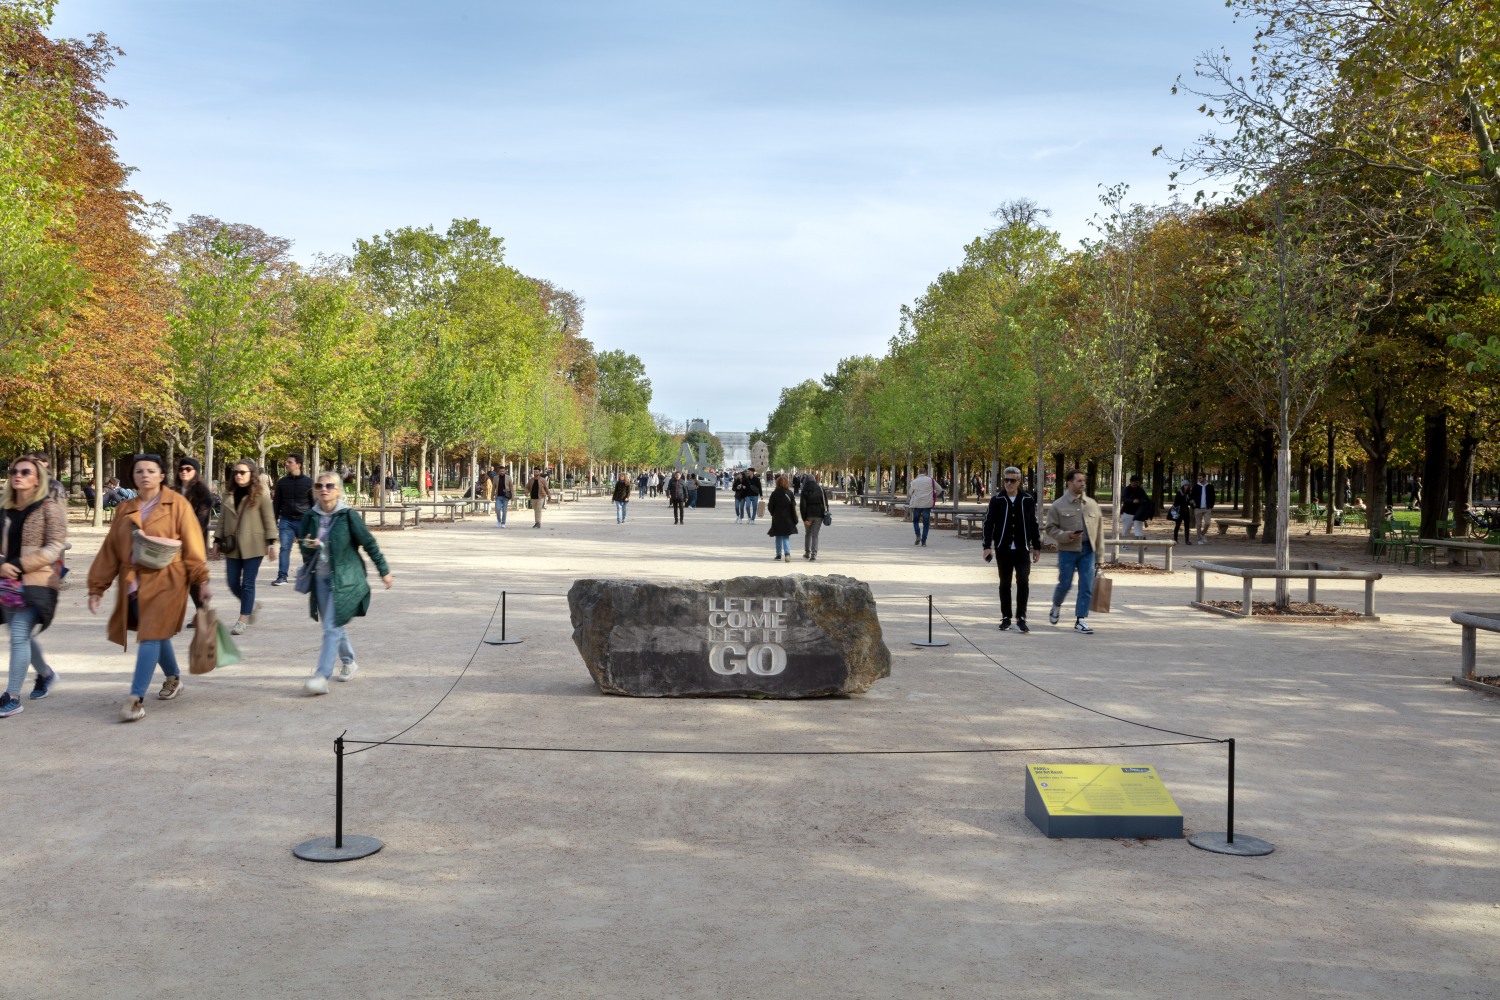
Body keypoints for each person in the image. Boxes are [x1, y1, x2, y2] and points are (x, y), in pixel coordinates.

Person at [87, 454, 212, 722]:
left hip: (169, 579)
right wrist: (97, 587)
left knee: (150, 635)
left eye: (151, 471)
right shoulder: (124, 508)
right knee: (154, 632)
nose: (145, 475)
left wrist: (201, 579)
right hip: (133, 583)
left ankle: (135, 698)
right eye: (139, 471)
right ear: (133, 477)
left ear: (162, 475)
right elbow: (110, 550)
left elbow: (193, 544)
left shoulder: (177, 504)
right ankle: (174, 678)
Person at [297, 472, 393, 695]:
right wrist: (308, 545)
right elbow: (303, 545)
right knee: (333, 624)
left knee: (331, 626)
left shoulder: (348, 516)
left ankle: (321, 676)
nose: (324, 489)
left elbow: (369, 543)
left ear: (338, 490)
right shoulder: (309, 517)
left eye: (330, 485)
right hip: (320, 578)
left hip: (345, 580)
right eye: (319, 485)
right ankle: (349, 661)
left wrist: (384, 571)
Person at [0, 456, 67, 717]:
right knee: (21, 636)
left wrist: (17, 564)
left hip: (38, 582)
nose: (18, 475)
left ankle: (12, 696)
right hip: (6, 582)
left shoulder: (49, 508)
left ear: (37, 478)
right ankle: (46, 674)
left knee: (18, 633)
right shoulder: (4, 509)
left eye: (25, 472)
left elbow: (54, 547)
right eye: (14, 471)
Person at [215, 460, 276, 635]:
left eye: (242, 472)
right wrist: (216, 541)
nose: (238, 475)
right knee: (232, 582)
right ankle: (250, 604)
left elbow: (269, 518)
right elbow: (222, 520)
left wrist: (272, 543)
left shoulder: (261, 492)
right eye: (235, 472)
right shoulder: (228, 493)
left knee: (248, 583)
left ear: (252, 474)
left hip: (254, 544)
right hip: (232, 544)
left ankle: (243, 618)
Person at [982, 466, 1042, 632]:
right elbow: (988, 524)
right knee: (1005, 583)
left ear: (1019, 481)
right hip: (1003, 548)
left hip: (1022, 549)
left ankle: (1021, 617)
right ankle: (1006, 617)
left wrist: (1037, 547)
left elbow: (1033, 524)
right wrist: (987, 546)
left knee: (1023, 581)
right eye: (1006, 480)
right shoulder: (997, 500)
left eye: (1012, 480)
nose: (1008, 483)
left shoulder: (1027, 500)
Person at [1043, 469, 1103, 635]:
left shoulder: (1092, 504)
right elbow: (1050, 529)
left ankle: (1081, 619)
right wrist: (1065, 535)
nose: (1082, 483)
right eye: (1079, 481)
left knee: (1086, 585)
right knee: (1065, 584)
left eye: (1083, 481)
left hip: (1088, 551)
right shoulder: (1058, 505)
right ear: (1069, 483)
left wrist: (1100, 556)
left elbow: (1099, 532)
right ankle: (1056, 605)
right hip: (1067, 551)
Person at [271, 455, 313, 585]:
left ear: (298, 464)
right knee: (284, 548)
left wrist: (312, 523)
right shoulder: (282, 482)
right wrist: (274, 520)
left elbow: (313, 504)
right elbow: (276, 503)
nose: (286, 464)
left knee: (305, 549)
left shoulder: (308, 482)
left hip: (304, 521)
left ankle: (309, 575)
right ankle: (282, 576)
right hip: (286, 520)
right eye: (286, 461)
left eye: (289, 462)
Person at [767, 474, 798, 561]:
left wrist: (773, 513)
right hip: (787, 517)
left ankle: (778, 554)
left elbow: (770, 506)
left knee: (778, 536)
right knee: (785, 536)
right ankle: (787, 554)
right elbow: (793, 505)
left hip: (777, 517)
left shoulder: (774, 493)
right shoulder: (790, 493)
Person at [908, 466, 939, 546]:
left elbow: (910, 493)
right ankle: (924, 541)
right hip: (927, 504)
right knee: (926, 523)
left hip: (917, 504)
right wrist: (933, 496)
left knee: (915, 521)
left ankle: (918, 535)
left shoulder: (915, 481)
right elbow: (940, 489)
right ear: (926, 473)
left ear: (919, 473)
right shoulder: (931, 480)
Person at [799, 472, 827, 561]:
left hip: (808, 514)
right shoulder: (820, 489)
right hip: (819, 514)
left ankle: (807, 552)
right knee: (815, 535)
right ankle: (813, 554)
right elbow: (825, 503)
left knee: (808, 534)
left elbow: (802, 506)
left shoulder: (804, 490)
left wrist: (804, 518)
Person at [1120, 475, 1148, 540]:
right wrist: (1132, 501)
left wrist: (1141, 501)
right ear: (1131, 482)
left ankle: (1141, 545)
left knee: (1139, 530)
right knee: (1126, 529)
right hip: (1127, 513)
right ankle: (1124, 544)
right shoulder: (1126, 489)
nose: (1135, 484)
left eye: (1137, 482)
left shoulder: (1140, 490)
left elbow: (1145, 499)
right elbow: (1123, 498)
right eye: (1134, 482)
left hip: (1138, 514)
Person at [1192, 472, 1217, 545]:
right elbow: (1192, 496)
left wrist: (1211, 506)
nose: (1199, 479)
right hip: (1198, 508)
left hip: (1207, 508)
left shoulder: (1210, 486)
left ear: (1204, 478)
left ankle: (1202, 534)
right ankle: (1199, 539)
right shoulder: (1196, 486)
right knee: (1199, 524)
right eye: (1198, 478)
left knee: (1207, 523)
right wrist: (1194, 504)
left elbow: (1213, 497)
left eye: (1200, 478)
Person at [1171, 479, 1194, 544]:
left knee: (1187, 526)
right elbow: (1176, 503)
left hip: (1186, 511)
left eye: (1188, 485)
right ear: (1183, 486)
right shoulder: (1179, 493)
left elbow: (1190, 502)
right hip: (1180, 511)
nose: (1187, 486)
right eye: (1185, 485)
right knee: (1177, 525)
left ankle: (1187, 540)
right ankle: (1175, 539)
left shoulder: (1188, 493)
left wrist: (1192, 503)